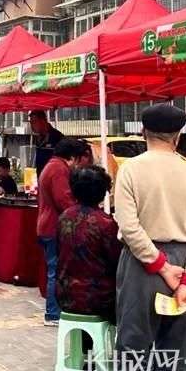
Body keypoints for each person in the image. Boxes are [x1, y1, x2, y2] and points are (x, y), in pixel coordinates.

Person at [114, 103, 186, 371]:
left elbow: (129, 226)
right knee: (173, 363)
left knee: (131, 359)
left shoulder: (131, 171)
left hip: (141, 267)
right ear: (178, 136)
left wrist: (159, 264)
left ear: (144, 132)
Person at [37, 138, 92, 326]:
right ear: (72, 157)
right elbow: (64, 200)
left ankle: (53, 311)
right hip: (53, 227)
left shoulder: (52, 166)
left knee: (55, 269)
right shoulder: (59, 169)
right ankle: (53, 314)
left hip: (47, 225)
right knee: (56, 270)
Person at [56, 165, 121, 323]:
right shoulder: (106, 223)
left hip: (65, 295)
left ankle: (83, 344)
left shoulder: (65, 216)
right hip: (98, 298)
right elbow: (116, 260)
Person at [29, 110, 65, 177]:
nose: (31, 126)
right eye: (30, 123)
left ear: (43, 121)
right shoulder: (39, 138)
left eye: (34, 122)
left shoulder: (57, 137)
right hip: (41, 180)